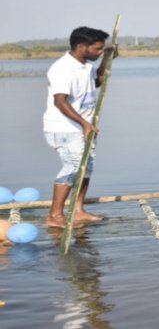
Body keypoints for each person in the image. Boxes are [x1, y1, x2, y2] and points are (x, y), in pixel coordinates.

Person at [43, 26, 117, 228]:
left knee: (86, 169)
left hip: (84, 128)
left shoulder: (85, 65)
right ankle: (55, 216)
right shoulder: (62, 68)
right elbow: (60, 101)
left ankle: (78, 211)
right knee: (73, 168)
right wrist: (84, 123)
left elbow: (97, 83)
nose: (100, 51)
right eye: (98, 49)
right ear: (81, 46)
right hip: (64, 129)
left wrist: (107, 60)